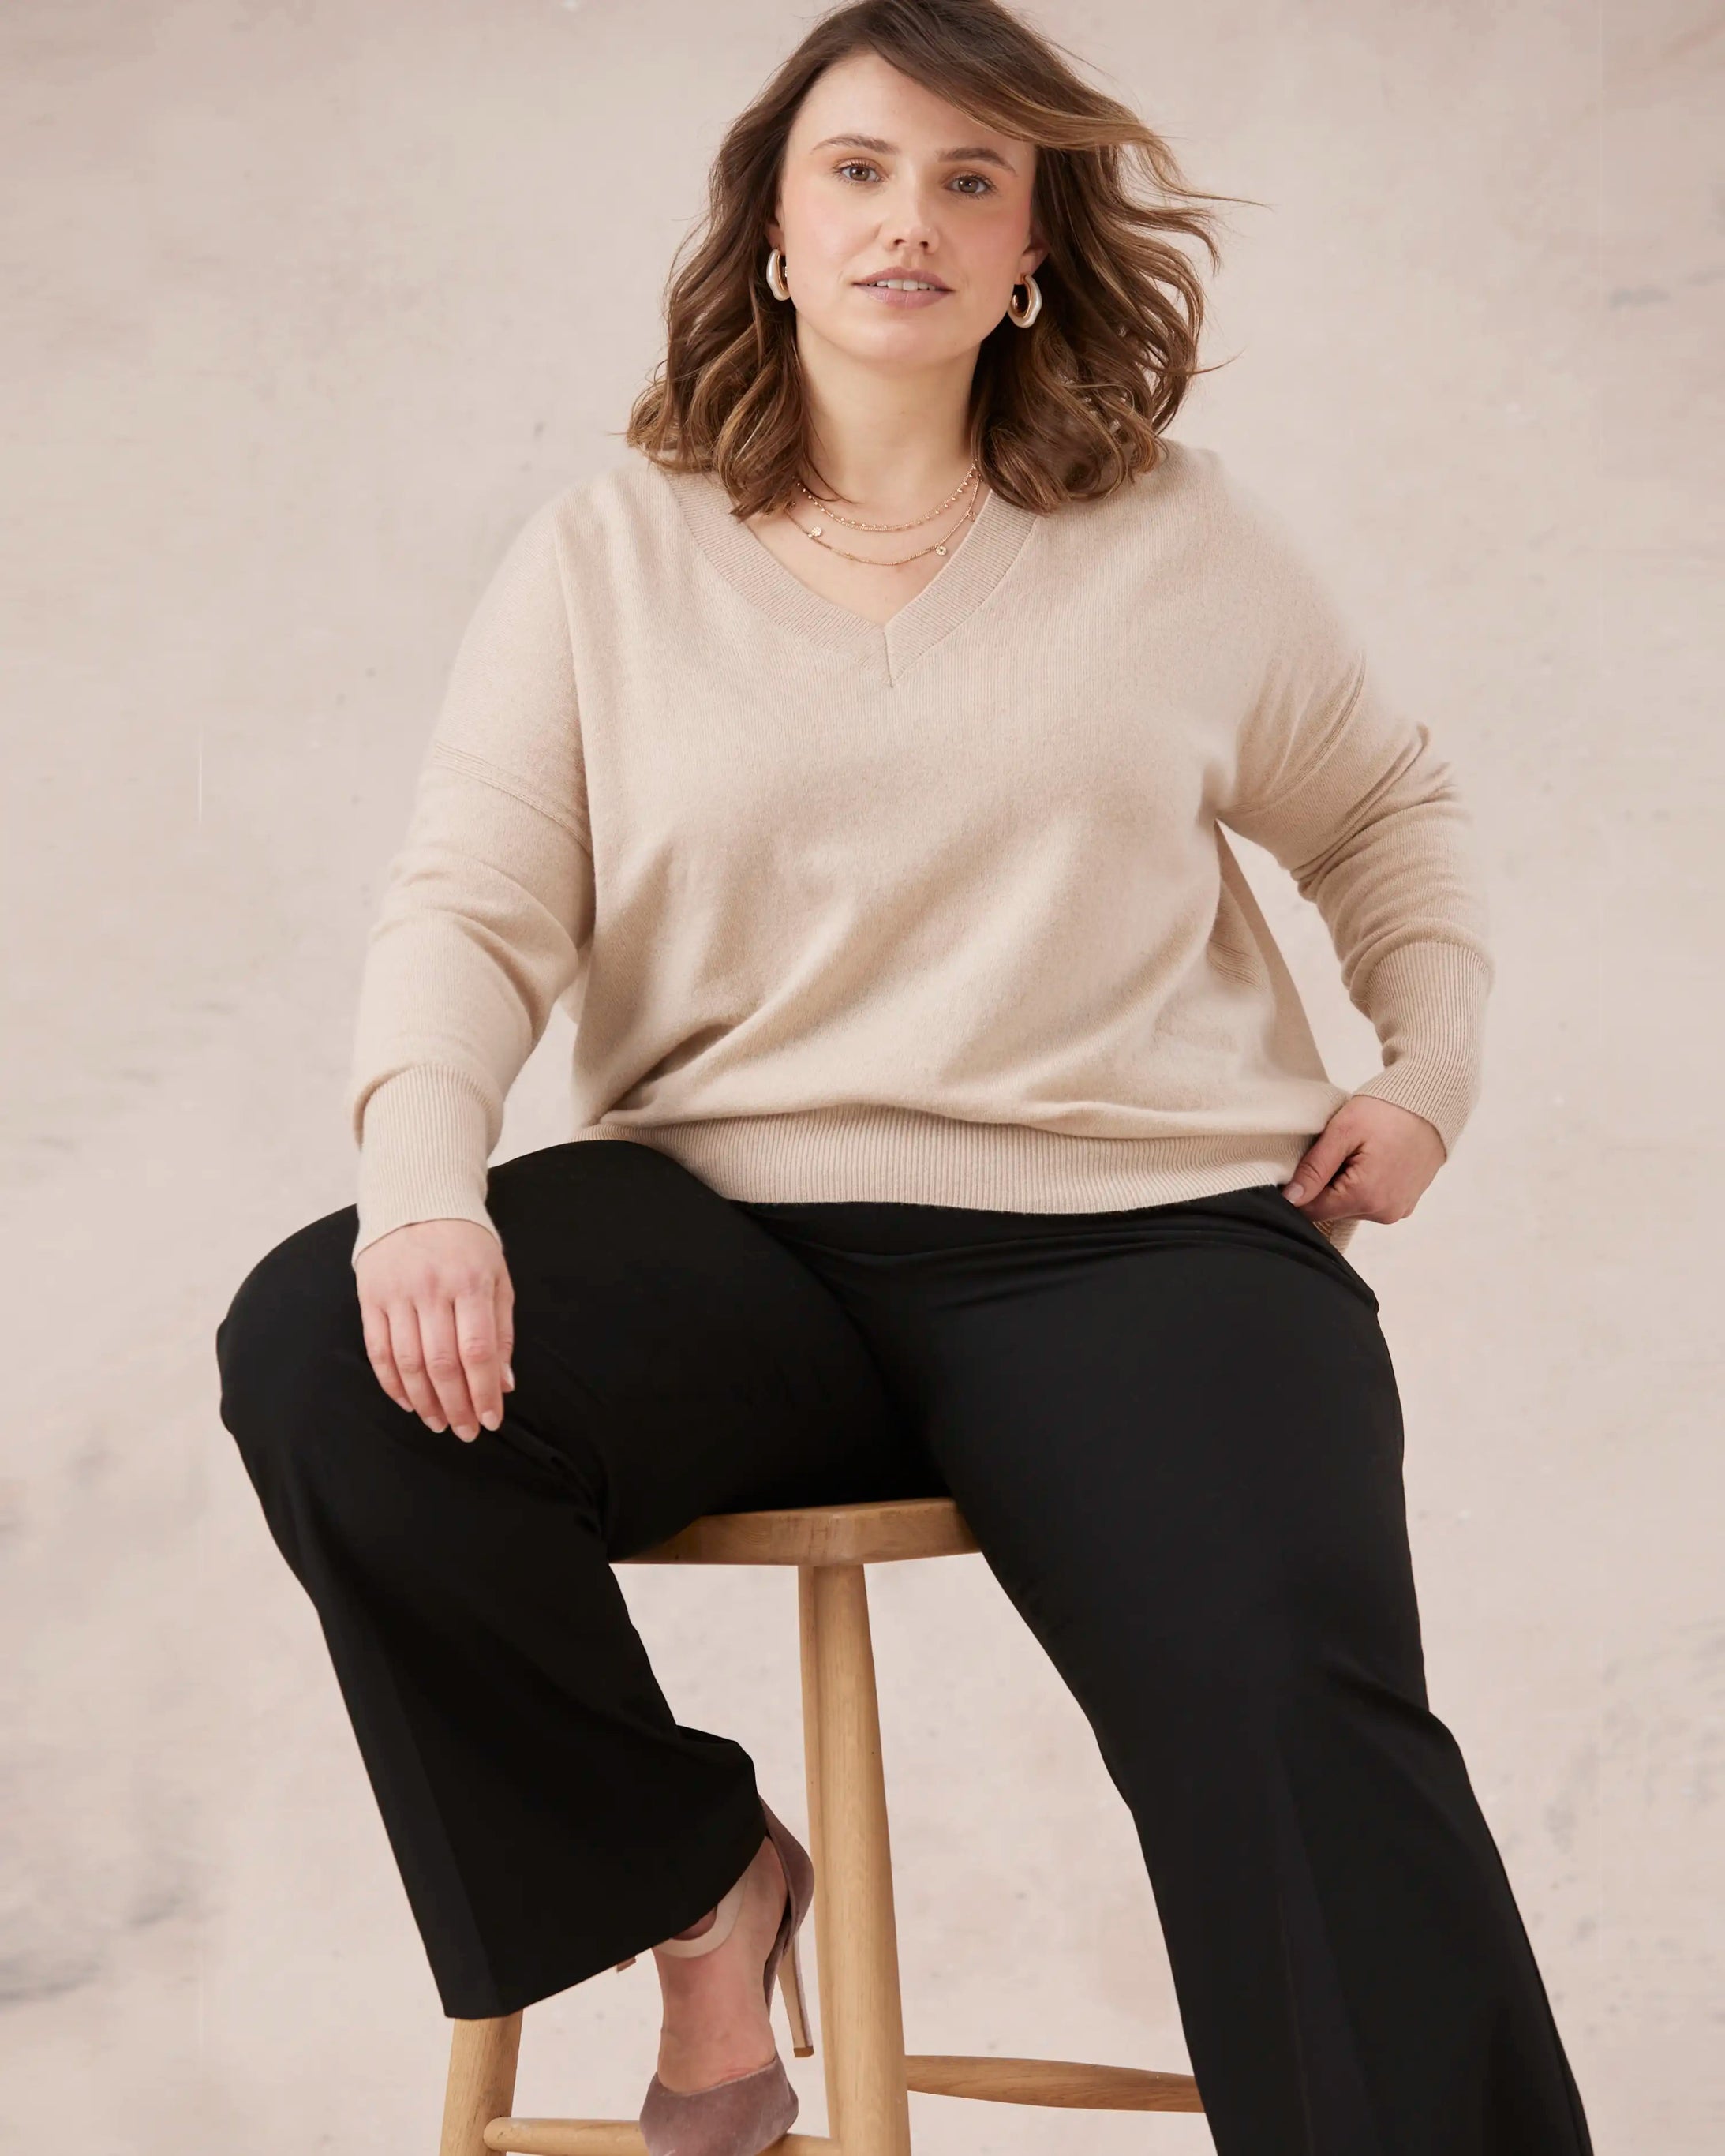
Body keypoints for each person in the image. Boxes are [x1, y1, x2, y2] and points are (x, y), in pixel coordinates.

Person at [213, 4, 1594, 2152]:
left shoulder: (1180, 537)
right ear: (772, 225)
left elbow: (1387, 817)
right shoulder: (609, 552)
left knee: (1289, 1717)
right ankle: (696, 1881)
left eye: (970, 178)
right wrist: (423, 1181)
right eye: (858, 169)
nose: (909, 220)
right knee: (325, 1350)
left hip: (1134, 1245)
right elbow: (469, 904)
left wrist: (1426, 1068)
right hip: (722, 1256)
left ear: (1032, 243)